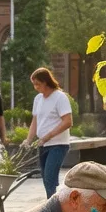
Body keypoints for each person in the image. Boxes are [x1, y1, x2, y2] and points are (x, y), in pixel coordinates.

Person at [22, 67, 72, 199]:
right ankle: (55, 204)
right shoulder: (38, 99)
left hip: (58, 145)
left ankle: (53, 209)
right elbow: (35, 121)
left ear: (46, 82)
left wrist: (47, 137)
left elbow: (67, 121)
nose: (35, 87)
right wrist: (28, 140)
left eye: (37, 84)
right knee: (46, 179)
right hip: (43, 145)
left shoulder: (60, 97)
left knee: (50, 178)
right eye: (34, 84)